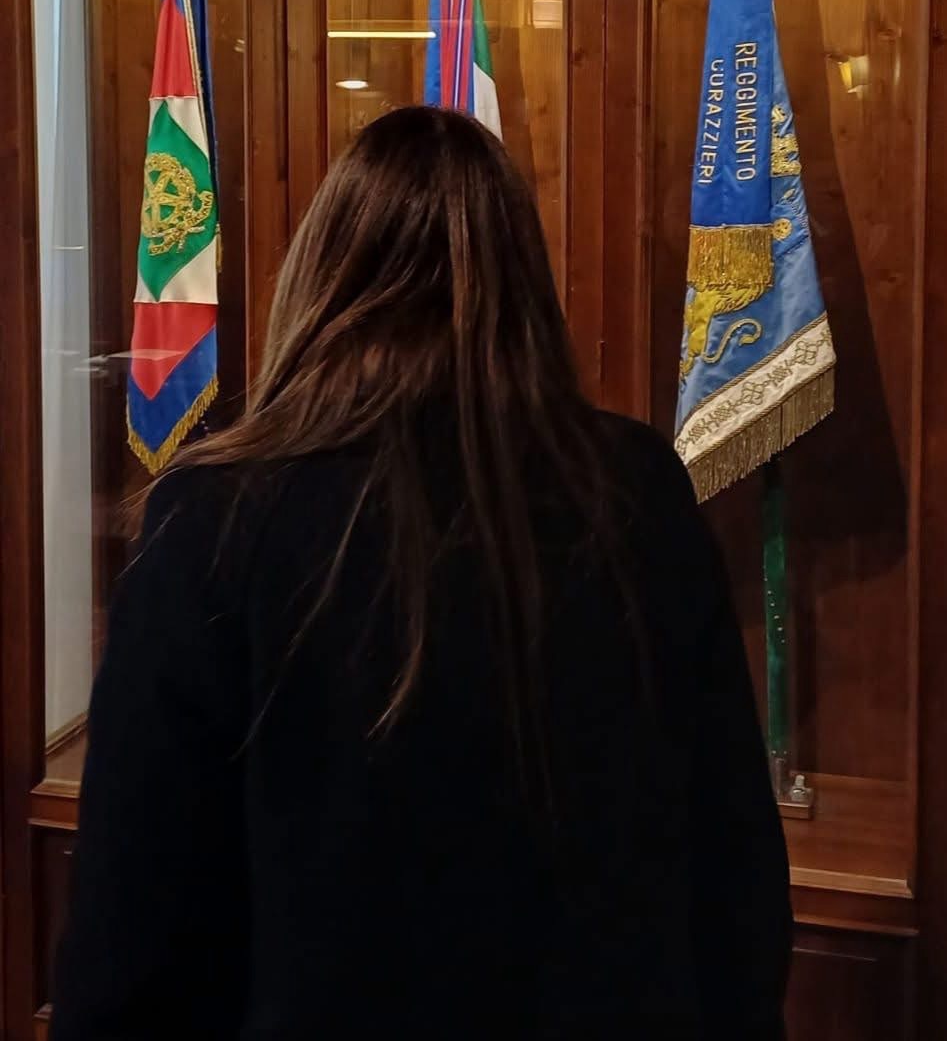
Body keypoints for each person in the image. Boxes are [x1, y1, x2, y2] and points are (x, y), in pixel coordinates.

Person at [50, 106, 791, 1040]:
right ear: (524, 281)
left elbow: (132, 929)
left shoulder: (215, 518)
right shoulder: (635, 490)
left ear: (318, 276)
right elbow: (734, 879)